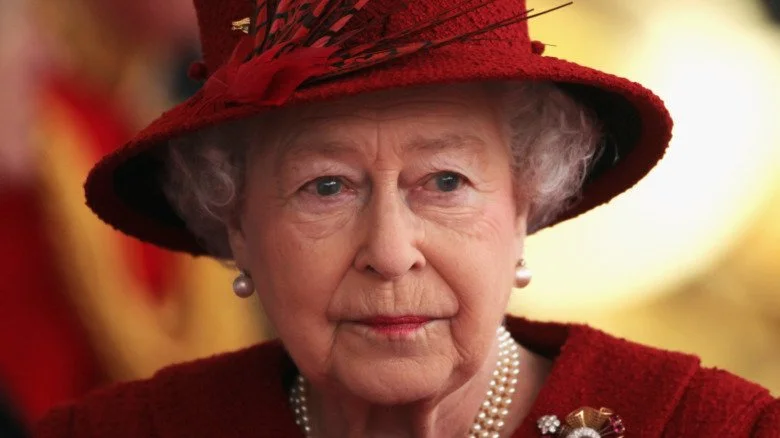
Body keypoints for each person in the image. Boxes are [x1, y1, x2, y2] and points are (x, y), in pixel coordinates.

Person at [35, 0, 780, 436]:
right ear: (236, 225)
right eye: (325, 187)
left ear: (526, 202)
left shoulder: (713, 428)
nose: (390, 254)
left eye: (446, 181)